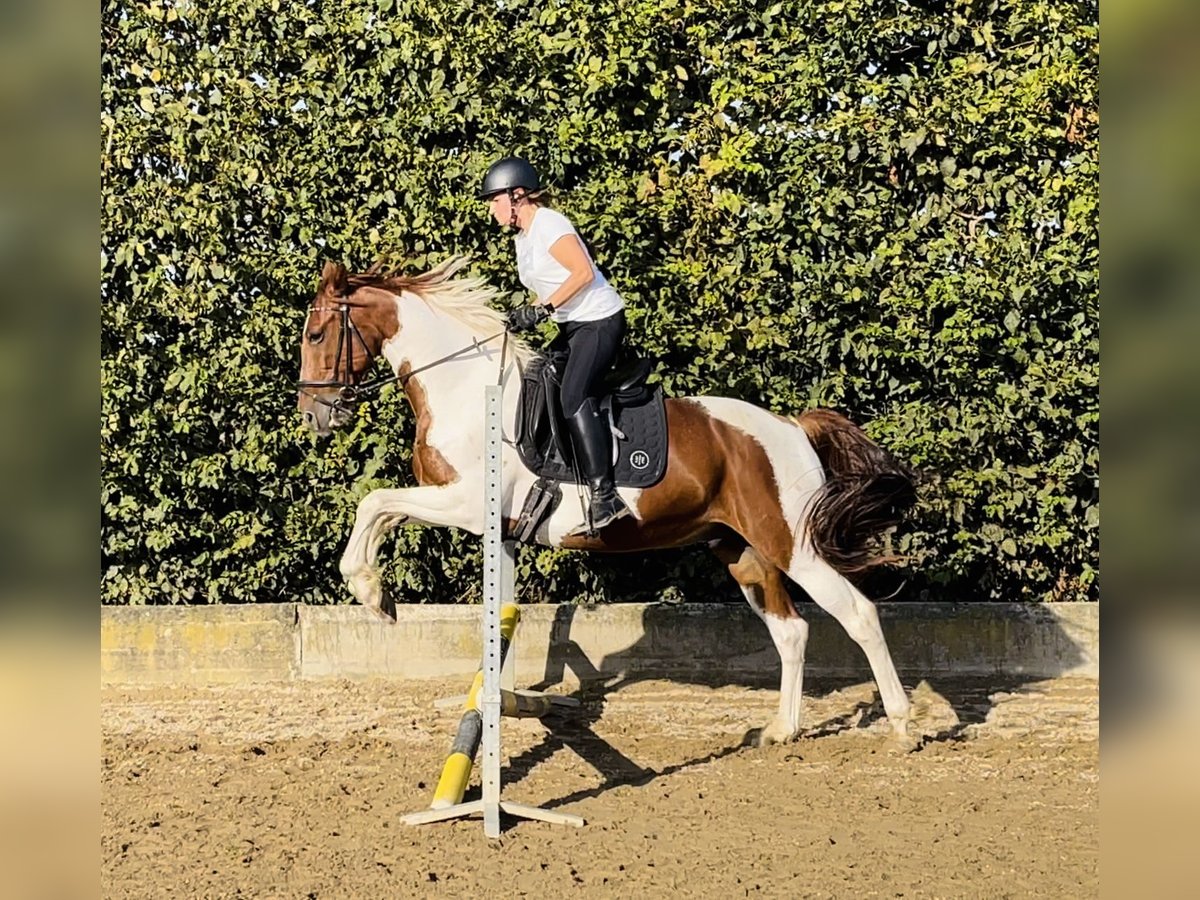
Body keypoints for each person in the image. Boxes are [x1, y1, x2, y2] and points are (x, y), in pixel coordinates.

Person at [478, 155, 630, 533]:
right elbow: (549, 286)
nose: (491, 209)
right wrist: (525, 312)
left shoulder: (549, 224)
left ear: (517, 196)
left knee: (573, 396)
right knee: (538, 377)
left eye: (494, 200)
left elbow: (583, 272)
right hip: (572, 325)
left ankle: (605, 496)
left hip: (599, 322)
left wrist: (543, 309)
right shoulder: (524, 239)